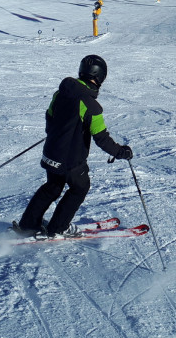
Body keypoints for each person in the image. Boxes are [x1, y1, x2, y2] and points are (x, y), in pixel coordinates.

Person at [15, 55, 133, 238]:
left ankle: (28, 225)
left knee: (52, 187)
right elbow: (101, 138)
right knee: (80, 188)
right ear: (100, 77)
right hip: (71, 159)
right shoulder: (91, 106)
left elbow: (50, 117)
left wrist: (58, 133)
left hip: (51, 152)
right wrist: (121, 152)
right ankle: (57, 228)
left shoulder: (60, 93)